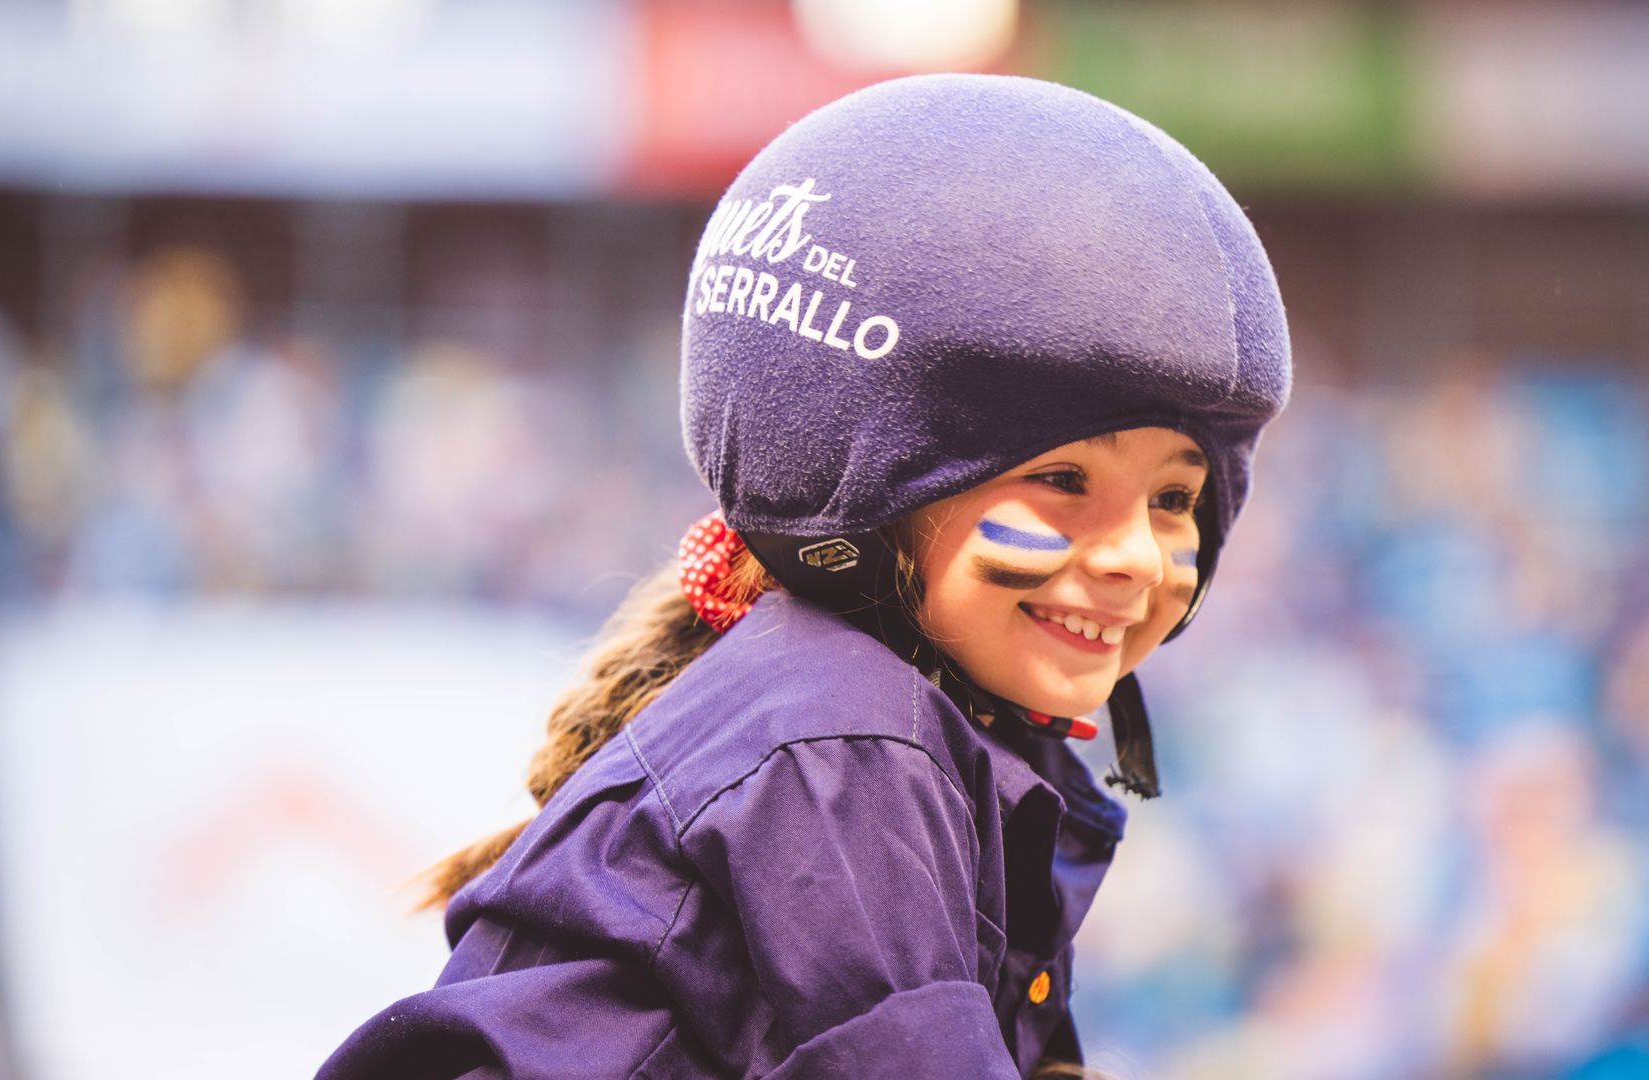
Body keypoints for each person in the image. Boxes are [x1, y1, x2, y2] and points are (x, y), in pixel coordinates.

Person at [317, 72, 1290, 1079]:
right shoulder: (845, 737)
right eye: (1064, 480)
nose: (1135, 554)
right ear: (877, 483)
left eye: (1173, 501)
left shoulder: (871, 718)